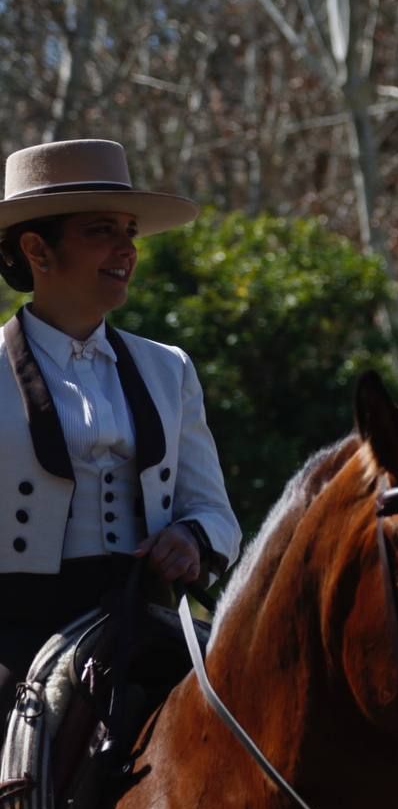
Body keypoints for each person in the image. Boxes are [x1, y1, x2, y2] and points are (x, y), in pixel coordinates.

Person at [0, 139, 241, 721]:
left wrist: (190, 539)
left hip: (148, 621)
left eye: (129, 231)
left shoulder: (170, 367)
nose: (126, 249)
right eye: (101, 231)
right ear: (38, 249)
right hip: (16, 636)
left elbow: (216, 514)